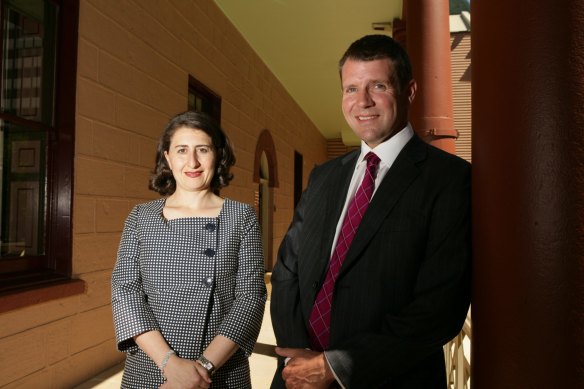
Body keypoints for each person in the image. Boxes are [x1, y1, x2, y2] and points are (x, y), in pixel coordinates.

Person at [270, 34, 471, 388]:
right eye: (351, 89)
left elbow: (440, 305)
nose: (362, 101)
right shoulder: (324, 176)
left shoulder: (450, 179)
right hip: (298, 377)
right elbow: (287, 268)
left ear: (408, 91)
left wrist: (335, 367)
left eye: (377, 86)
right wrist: (298, 354)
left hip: (390, 379)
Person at [112, 111, 267, 388]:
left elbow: (250, 298)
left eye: (202, 150)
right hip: (150, 367)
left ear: (218, 155)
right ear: (167, 157)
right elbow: (125, 292)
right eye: (182, 150)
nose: (192, 162)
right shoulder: (141, 216)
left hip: (219, 370)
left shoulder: (241, 216)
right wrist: (169, 364)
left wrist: (201, 370)